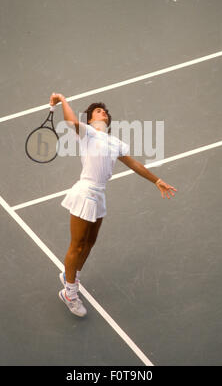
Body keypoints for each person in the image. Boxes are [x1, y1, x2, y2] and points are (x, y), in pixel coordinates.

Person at [49, 92, 178, 317]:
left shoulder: (115, 142)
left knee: (89, 243)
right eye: (98, 111)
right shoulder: (87, 134)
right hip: (85, 192)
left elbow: (134, 163)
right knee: (77, 244)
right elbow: (71, 121)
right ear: (90, 119)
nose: (104, 113)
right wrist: (62, 99)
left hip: (99, 196)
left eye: (105, 111)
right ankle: (69, 292)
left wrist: (156, 180)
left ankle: (71, 275)